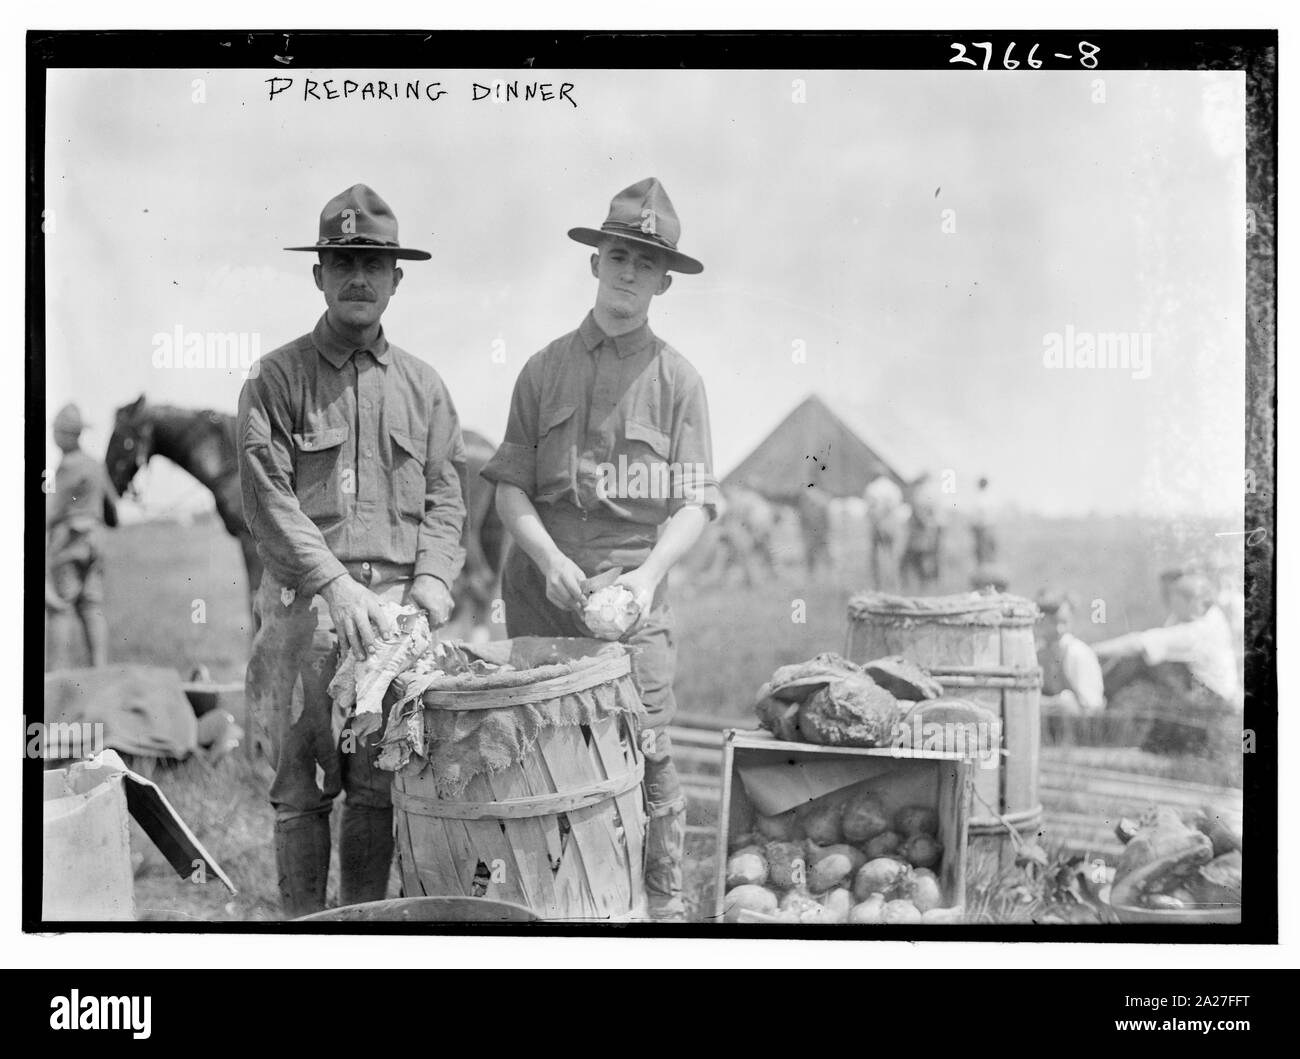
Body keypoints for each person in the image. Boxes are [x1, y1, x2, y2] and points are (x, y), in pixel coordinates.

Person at [481, 177, 720, 921]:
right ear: (595, 264)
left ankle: (662, 909)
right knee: (529, 749)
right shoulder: (542, 368)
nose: (628, 272)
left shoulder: (679, 381)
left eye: (645, 263)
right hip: (539, 592)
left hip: (631, 597)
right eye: (618, 255)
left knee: (649, 749)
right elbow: (509, 488)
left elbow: (695, 501)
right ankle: (539, 909)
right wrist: (550, 562)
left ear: (663, 281)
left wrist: (647, 579)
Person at [238, 185, 467, 918]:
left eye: (374, 262)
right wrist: (335, 585)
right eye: (343, 261)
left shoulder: (426, 388)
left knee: (379, 789)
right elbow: (269, 499)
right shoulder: (275, 378)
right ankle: (302, 939)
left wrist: (431, 581)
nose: (358, 277)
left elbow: (447, 497)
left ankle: (362, 937)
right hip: (306, 615)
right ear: (319, 275)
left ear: (397, 277)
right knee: (302, 795)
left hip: (396, 625)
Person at [45, 403, 119, 669]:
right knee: (91, 606)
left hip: (69, 543)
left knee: (59, 608)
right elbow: (113, 510)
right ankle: (100, 671)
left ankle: (55, 676)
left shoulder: (65, 468)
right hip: (96, 543)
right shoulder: (96, 465)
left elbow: (49, 513)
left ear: (64, 435)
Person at [1033, 589, 1105, 713]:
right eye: (1052, 622)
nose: (1059, 629)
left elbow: (1092, 705)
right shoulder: (1037, 652)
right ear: (1040, 622)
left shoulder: (1077, 653)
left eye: (1064, 622)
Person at [969, 475, 997, 566]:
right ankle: (983, 565)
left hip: (986, 526)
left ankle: (987, 565)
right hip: (981, 527)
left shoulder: (985, 497)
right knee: (981, 548)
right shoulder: (980, 497)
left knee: (986, 547)